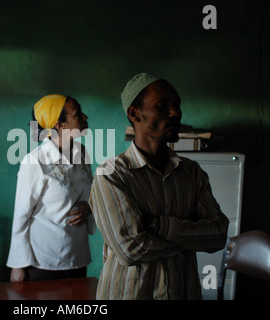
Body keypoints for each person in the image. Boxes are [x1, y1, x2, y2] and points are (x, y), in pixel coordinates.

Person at [88, 73, 229, 299]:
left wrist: (157, 226)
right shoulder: (112, 174)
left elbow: (218, 235)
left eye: (177, 105)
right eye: (163, 106)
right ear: (134, 114)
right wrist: (188, 239)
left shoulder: (191, 173)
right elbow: (130, 249)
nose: (175, 113)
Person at [6, 94, 95, 282]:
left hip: (77, 258)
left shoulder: (82, 153)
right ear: (59, 125)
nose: (85, 117)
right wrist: (18, 266)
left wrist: (88, 208)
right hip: (42, 263)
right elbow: (22, 215)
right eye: (78, 114)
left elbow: (90, 194)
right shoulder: (35, 161)